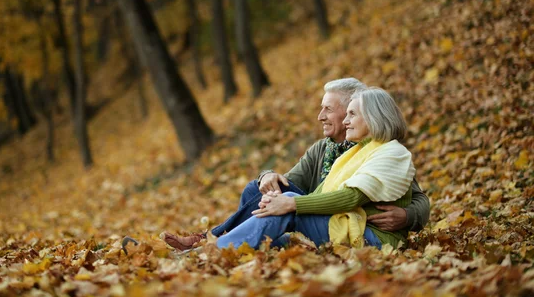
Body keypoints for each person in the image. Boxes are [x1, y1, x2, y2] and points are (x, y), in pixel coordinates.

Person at [161, 79, 430, 251]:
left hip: (357, 225)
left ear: (362, 113)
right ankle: (210, 244)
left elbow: (414, 197)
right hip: (333, 215)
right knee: (260, 192)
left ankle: (211, 247)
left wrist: (407, 217)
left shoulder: (385, 152)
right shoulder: (326, 149)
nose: (320, 116)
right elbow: (288, 181)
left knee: (282, 204)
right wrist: (268, 177)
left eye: (329, 109)